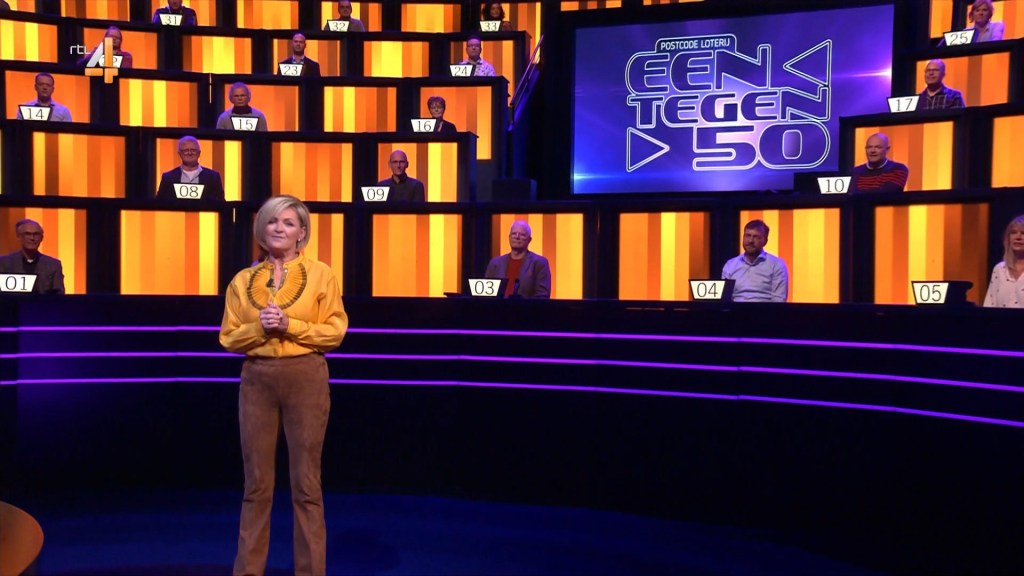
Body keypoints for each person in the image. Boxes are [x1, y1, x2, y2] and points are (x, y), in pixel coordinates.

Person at [220, 195, 348, 576]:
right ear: (262, 229)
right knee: (256, 485)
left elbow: (335, 331)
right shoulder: (242, 281)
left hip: (305, 377)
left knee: (306, 485)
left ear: (301, 233)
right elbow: (228, 337)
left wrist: (290, 326)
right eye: (273, 221)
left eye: (288, 223)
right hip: (257, 379)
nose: (279, 228)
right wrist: (260, 328)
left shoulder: (322, 275)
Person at [721, 220, 788, 303]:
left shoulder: (777, 265)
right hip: (736, 310)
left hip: (765, 310)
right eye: (747, 235)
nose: (750, 241)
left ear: (765, 241)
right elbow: (725, 300)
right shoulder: (730, 265)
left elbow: (779, 301)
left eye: (756, 237)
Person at [485, 220, 551, 298]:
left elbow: (542, 296)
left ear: (529, 240)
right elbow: (486, 295)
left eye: (522, 235)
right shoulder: (495, 263)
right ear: (509, 237)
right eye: (514, 234)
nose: (517, 237)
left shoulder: (539, 263)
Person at [0, 219, 65, 295]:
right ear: (18, 236)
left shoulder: (53, 265)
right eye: (27, 234)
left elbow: (59, 296)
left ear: (41, 238)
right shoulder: (3, 263)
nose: (32, 238)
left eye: (36, 234)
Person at [156, 136, 225, 201]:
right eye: (185, 150)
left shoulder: (213, 177)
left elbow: (221, 203)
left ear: (199, 153)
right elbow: (159, 203)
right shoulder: (168, 178)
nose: (189, 153)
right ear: (179, 153)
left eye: (193, 150)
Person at [983, 215, 1024, 308]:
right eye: (1013, 232)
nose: (1018, 237)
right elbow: (989, 305)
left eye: (1023, 233)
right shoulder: (1000, 269)